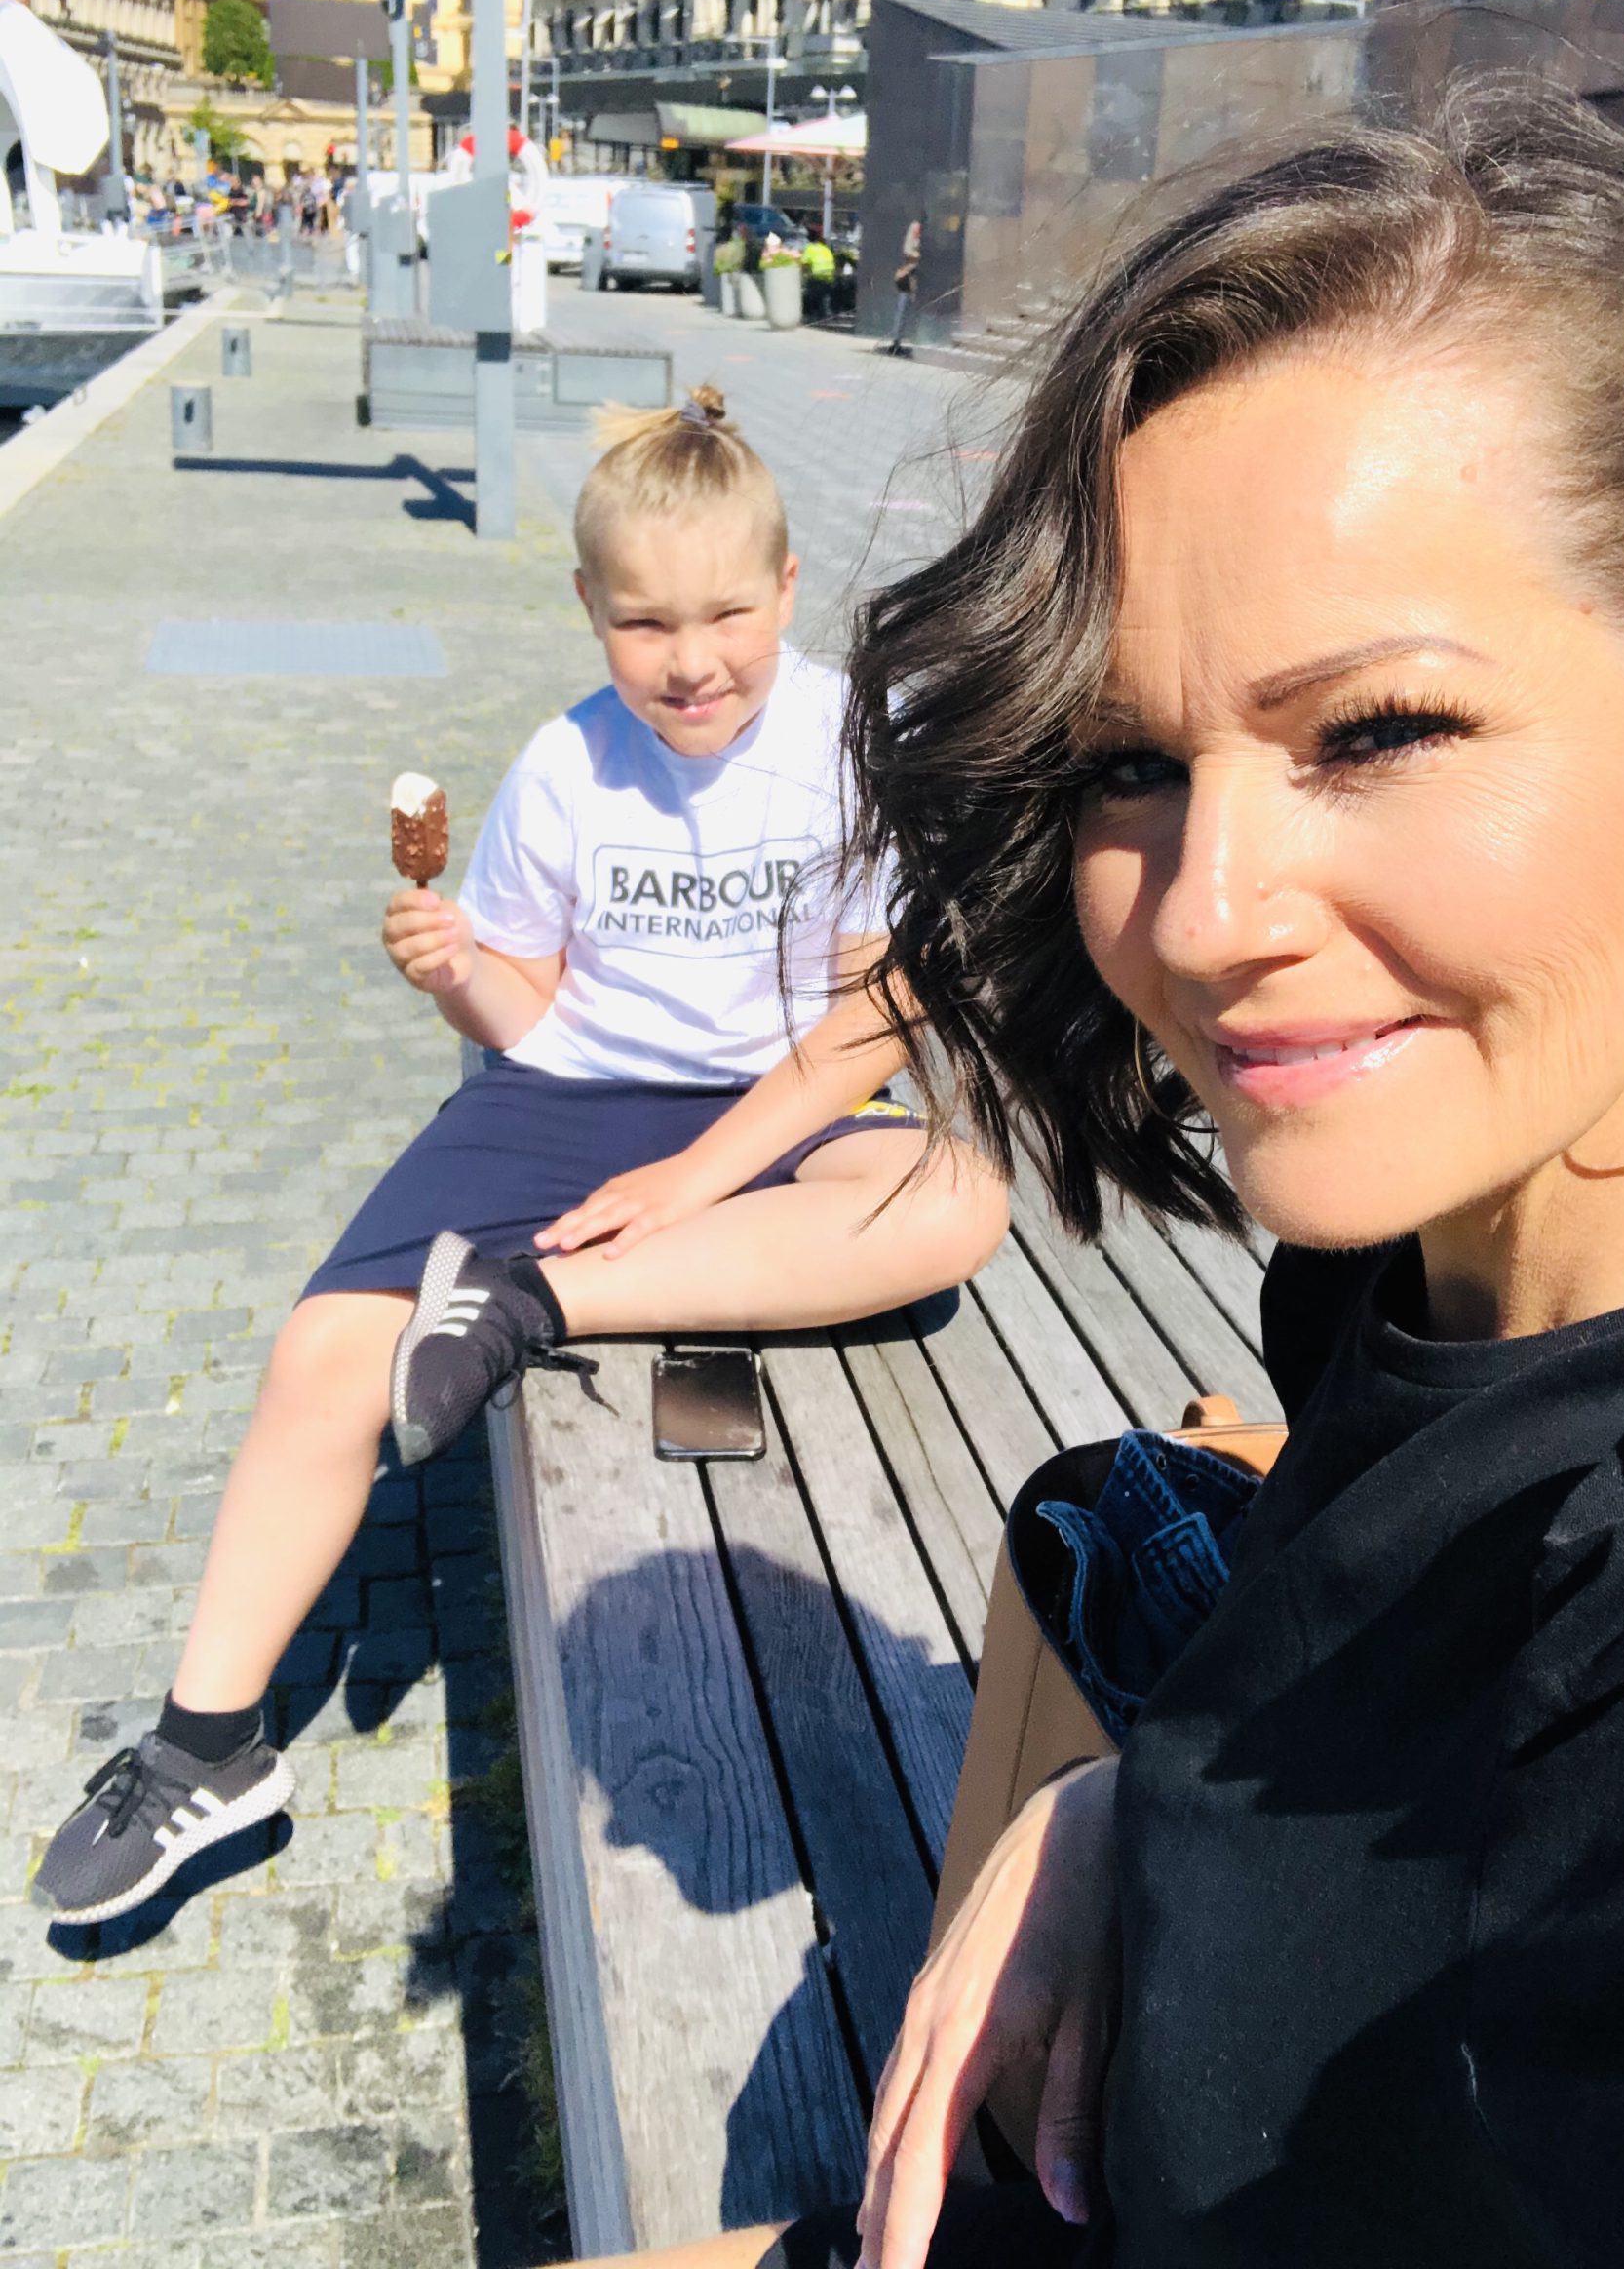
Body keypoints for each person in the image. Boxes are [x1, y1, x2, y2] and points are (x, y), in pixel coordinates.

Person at [606, 82, 1624, 2268]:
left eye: (1374, 731)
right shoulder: (1424, 1259)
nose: (1199, 915)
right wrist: (1141, 1798)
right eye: (1127, 761)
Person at [35, 385, 1009, 1928]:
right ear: (585, 609)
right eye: (643, 623)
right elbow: (529, 1014)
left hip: (781, 1099)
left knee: (958, 1197)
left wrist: (689, 1182)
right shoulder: (566, 766)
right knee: (321, 1351)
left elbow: (871, 1021)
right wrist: (454, 975)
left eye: (725, 614)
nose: (690, 660)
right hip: (567, 1095)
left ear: (786, 591)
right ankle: (204, 1748)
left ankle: (527, 1303)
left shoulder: (848, 744)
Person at [882, 218, 920, 359]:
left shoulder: (934, 226)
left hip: (925, 275)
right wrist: (921, 256)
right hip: (912, 274)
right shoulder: (916, 227)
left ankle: (911, 340)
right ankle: (896, 342)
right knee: (903, 307)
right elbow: (907, 250)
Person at [801, 223, 836, 324]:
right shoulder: (825, 248)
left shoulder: (810, 248)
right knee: (820, 297)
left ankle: (810, 316)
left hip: (817, 277)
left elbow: (804, 264)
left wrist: (804, 276)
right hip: (829, 278)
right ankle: (822, 316)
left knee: (808, 295)